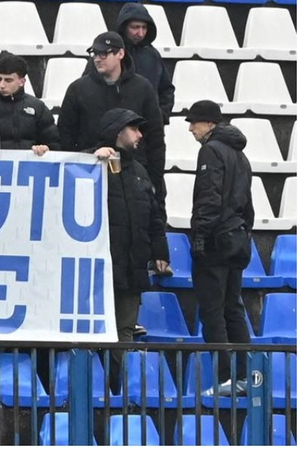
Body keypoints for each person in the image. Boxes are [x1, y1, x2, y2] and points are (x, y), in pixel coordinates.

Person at [93, 108, 169, 388]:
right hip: (98, 272)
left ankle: (116, 392)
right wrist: (93, 156)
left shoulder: (139, 172)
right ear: (117, 131)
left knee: (124, 332)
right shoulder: (90, 165)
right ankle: (92, 393)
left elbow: (153, 216)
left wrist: (160, 251)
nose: (140, 135)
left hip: (131, 269)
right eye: (134, 129)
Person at [186, 100, 255, 396]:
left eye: (194, 122)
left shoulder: (211, 150)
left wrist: (200, 236)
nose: (191, 128)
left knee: (213, 312)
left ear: (210, 124)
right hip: (238, 238)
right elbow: (248, 205)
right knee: (233, 309)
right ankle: (245, 376)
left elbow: (209, 197)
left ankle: (226, 377)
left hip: (216, 241)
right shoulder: (240, 155)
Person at [59, 32, 167, 203]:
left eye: (104, 53)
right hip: (90, 176)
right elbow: (65, 136)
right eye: (95, 54)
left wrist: (153, 180)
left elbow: (155, 138)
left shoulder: (143, 88)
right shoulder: (78, 89)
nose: (97, 59)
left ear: (120, 54)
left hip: (134, 177)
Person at [100, 4, 176, 121]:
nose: (140, 33)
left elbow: (166, 90)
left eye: (144, 27)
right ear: (124, 27)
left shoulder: (153, 55)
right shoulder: (106, 53)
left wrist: (160, 116)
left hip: (148, 128)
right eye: (135, 27)